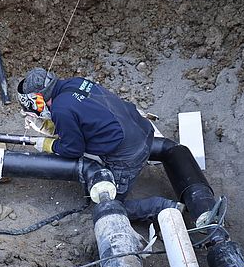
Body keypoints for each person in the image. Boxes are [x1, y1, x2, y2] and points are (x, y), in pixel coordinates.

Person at [17, 67, 181, 221]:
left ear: (36, 99)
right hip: (141, 128)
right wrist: (51, 126)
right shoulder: (75, 82)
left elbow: (73, 149)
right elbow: (83, 115)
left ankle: (166, 207)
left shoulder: (61, 109)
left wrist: (48, 145)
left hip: (129, 154)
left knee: (111, 206)